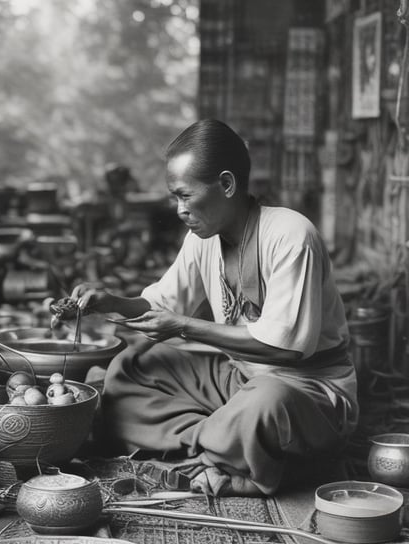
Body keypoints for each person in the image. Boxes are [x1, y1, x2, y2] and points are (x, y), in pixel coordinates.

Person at [72, 119, 358, 497]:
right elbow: (162, 302)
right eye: (175, 198)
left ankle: (231, 448)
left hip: (307, 391)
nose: (180, 210)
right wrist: (110, 301)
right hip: (239, 379)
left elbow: (287, 349)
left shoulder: (291, 235)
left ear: (226, 184)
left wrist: (185, 326)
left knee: (265, 402)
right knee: (131, 367)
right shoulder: (202, 239)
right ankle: (226, 446)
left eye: (185, 196)